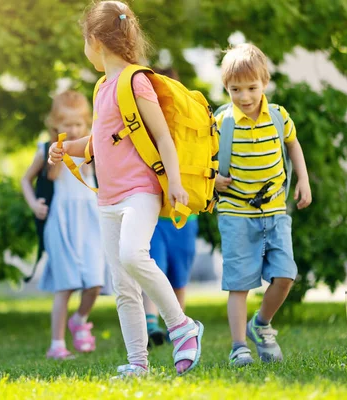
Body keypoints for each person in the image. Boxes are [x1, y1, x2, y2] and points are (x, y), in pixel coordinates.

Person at [48, 1, 203, 377]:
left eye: (84, 41)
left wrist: (177, 184)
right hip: (108, 199)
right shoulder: (102, 87)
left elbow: (163, 138)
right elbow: (99, 144)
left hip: (140, 192)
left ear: (96, 41)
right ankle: (138, 363)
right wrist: (67, 148)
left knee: (134, 255)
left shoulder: (137, 81)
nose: (85, 49)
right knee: (123, 285)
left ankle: (182, 325)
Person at [214, 43, 312, 367]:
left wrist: (303, 180)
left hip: (274, 210)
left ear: (264, 83)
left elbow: (293, 145)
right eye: (235, 89)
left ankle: (262, 324)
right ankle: (239, 346)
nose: (244, 96)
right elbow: (202, 161)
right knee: (240, 282)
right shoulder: (221, 122)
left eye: (252, 87)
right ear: (226, 87)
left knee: (285, 275)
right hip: (235, 212)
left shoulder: (278, 115)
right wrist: (212, 178)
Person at [20, 90, 106, 360]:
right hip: (61, 220)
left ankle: (80, 319)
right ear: (55, 124)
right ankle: (57, 344)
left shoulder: (92, 146)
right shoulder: (47, 149)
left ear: (87, 123)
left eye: (79, 123)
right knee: (65, 285)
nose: (73, 129)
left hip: (90, 220)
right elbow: (27, 179)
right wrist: (34, 203)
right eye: (67, 124)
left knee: (95, 282)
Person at [143, 67, 200, 347]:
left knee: (179, 274)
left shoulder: (190, 132)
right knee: (155, 270)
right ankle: (151, 322)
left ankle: (177, 322)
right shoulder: (148, 132)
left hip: (184, 217)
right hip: (155, 216)